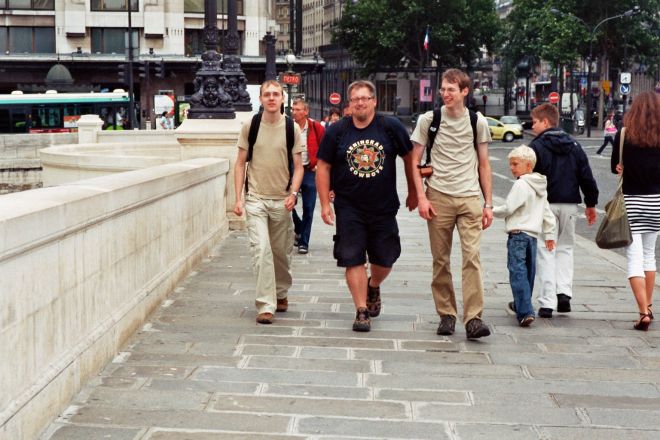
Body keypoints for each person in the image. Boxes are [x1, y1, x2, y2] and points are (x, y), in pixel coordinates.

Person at [316, 79, 417, 332]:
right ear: (349, 105)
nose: (360, 102)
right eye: (355, 99)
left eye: (365, 98)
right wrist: (324, 205)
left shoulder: (391, 127)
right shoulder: (337, 131)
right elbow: (323, 167)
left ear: (374, 101)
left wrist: (416, 192)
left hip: (383, 207)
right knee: (353, 259)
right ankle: (361, 309)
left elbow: (410, 159)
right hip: (349, 207)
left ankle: (374, 285)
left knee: (385, 259)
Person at [410, 68, 494, 340]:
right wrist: (421, 197)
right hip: (438, 197)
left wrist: (489, 204)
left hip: (469, 198)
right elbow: (413, 161)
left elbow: (484, 164)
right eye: (443, 89)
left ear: (465, 92)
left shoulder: (476, 122)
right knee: (441, 260)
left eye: (451, 89)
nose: (445, 94)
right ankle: (447, 314)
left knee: (472, 259)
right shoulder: (429, 120)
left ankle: (473, 319)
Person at [233, 80, 304, 324]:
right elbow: (240, 163)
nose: (271, 98)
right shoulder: (250, 126)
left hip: (282, 201)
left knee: (281, 253)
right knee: (260, 250)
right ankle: (265, 304)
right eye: (267, 94)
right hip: (256, 199)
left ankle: (281, 291)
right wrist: (238, 199)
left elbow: (299, 167)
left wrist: (293, 194)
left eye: (276, 94)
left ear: (283, 99)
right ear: (261, 99)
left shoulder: (291, 128)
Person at [529, 103, 599, 318]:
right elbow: (586, 176)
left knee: (545, 250)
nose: (532, 126)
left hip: (546, 204)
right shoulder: (575, 145)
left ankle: (547, 301)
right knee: (566, 248)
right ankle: (564, 294)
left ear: (546, 122)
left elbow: (528, 178)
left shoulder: (536, 147)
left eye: (535, 122)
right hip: (570, 204)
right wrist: (590, 203)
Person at [610, 91, 660, 331]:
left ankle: (642, 312)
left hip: (632, 201)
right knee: (649, 256)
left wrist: (623, 166)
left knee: (634, 258)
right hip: (657, 202)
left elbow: (614, 167)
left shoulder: (624, 135)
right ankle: (648, 306)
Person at [493, 145, 556, 327]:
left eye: (515, 164)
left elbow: (509, 208)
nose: (512, 168)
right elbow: (547, 213)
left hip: (518, 234)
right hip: (533, 236)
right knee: (528, 272)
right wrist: (550, 234)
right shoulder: (540, 186)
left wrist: (489, 211)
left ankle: (525, 311)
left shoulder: (521, 184)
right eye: (511, 164)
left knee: (517, 271)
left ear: (528, 165)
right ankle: (522, 303)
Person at [290, 97, 325, 254]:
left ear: (306, 111)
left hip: (310, 171)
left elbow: (325, 148)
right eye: (293, 109)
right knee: (288, 205)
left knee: (309, 207)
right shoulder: (288, 127)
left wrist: (320, 164)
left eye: (298, 109)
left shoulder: (316, 127)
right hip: (291, 171)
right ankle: (298, 226)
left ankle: (304, 242)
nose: (294, 112)